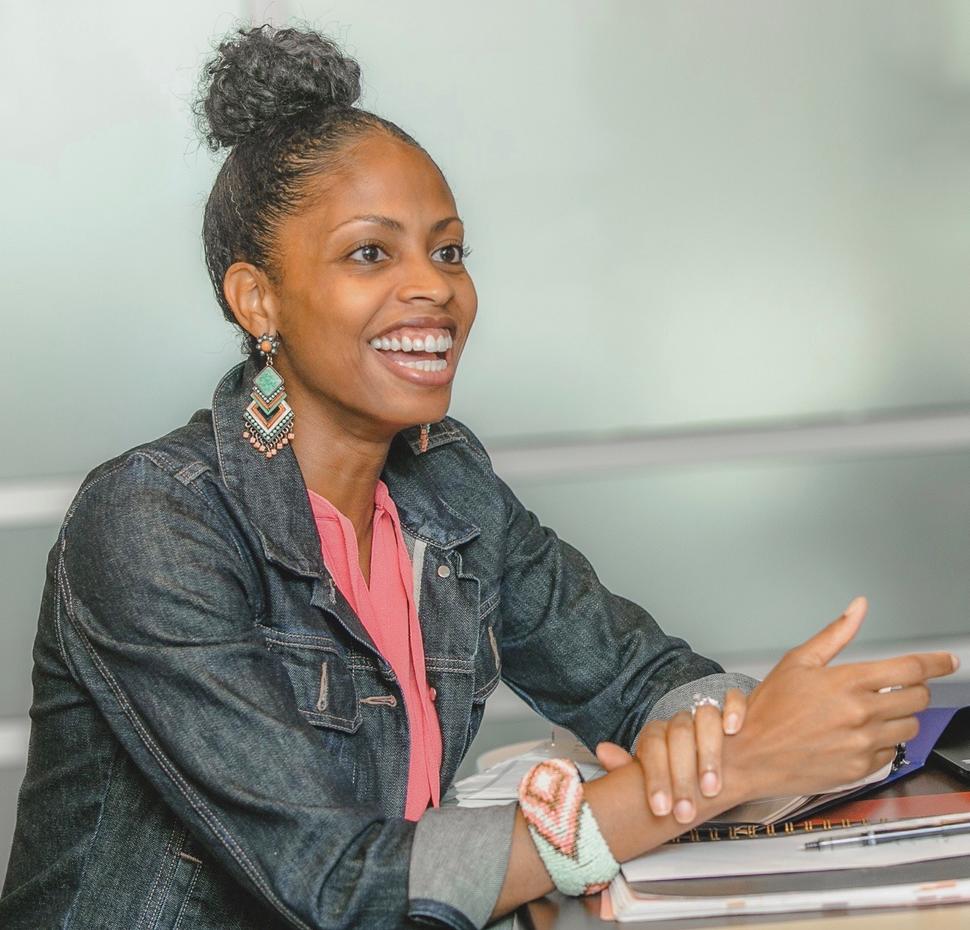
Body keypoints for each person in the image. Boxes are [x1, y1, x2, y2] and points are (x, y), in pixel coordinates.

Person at [0, 24, 957, 930]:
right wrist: (720, 770)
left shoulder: (446, 483)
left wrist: (761, 730)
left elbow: (639, 681)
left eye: (449, 250)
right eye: (371, 252)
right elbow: (338, 886)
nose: (436, 288)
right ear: (257, 299)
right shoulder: (153, 520)